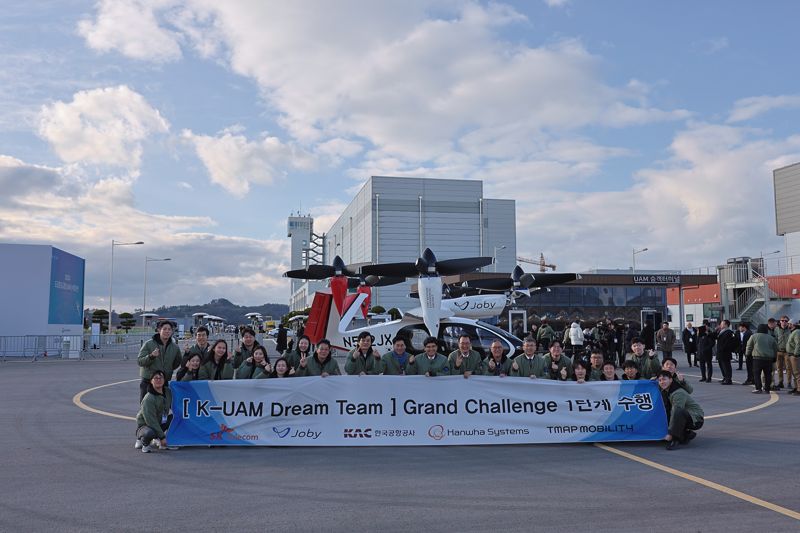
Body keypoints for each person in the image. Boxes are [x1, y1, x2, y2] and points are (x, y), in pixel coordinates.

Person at [657, 370, 704, 450]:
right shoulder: (666, 389)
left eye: (664, 379)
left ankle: (675, 439)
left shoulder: (678, 392)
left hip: (695, 419)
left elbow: (676, 412)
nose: (662, 382)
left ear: (671, 380)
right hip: (684, 416)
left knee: (677, 411)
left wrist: (670, 433)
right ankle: (686, 434)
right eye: (660, 380)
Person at [137, 320, 182, 402]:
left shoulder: (175, 347)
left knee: (162, 409)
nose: (167, 331)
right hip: (148, 382)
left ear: (172, 331)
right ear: (159, 330)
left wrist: (168, 369)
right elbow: (140, 361)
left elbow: (177, 362)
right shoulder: (149, 344)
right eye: (164, 329)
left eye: (169, 329)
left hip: (164, 382)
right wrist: (151, 356)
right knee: (146, 407)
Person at [134, 371, 173, 453]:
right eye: (156, 378)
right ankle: (144, 442)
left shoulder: (168, 392)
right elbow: (151, 421)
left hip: (160, 421)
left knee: (175, 419)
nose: (158, 380)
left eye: (161, 378)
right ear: (151, 381)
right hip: (146, 425)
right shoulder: (149, 398)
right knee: (149, 432)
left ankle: (158, 437)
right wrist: (162, 437)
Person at [746, 324, 778, 393]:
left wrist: (747, 354)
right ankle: (767, 389)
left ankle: (758, 388)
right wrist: (774, 357)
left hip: (757, 358)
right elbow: (775, 349)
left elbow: (749, 346)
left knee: (756, 374)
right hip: (769, 359)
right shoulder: (771, 338)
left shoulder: (754, 336)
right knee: (768, 374)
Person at [715, 319, 737, 385]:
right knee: (721, 365)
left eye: (722, 324)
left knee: (726, 366)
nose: (721, 325)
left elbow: (728, 343)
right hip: (720, 352)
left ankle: (728, 379)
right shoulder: (720, 331)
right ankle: (725, 377)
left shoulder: (729, 332)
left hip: (725, 352)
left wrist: (723, 348)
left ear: (726, 325)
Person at [773, 316, 791, 391]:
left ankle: (789, 382)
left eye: (786, 321)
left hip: (787, 352)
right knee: (779, 368)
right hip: (778, 351)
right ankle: (781, 382)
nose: (784, 322)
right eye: (782, 320)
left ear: (788, 322)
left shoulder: (790, 329)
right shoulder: (776, 329)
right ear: (780, 321)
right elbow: (774, 339)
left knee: (788, 368)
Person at [787, 320, 800, 395]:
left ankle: (799, 389)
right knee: (794, 372)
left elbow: (798, 343)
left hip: (794, 356)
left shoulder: (797, 332)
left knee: (797, 373)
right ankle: (796, 387)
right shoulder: (793, 332)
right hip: (791, 355)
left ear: (793, 324)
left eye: (789, 323)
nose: (788, 325)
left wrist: (795, 354)